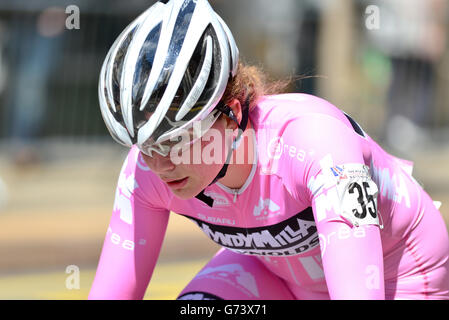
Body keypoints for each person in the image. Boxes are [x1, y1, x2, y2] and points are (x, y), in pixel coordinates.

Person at [89, 0, 449, 300]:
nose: (160, 163)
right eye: (145, 144)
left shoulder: (314, 144)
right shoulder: (146, 169)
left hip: (398, 278)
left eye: (174, 141)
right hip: (282, 278)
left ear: (231, 113)